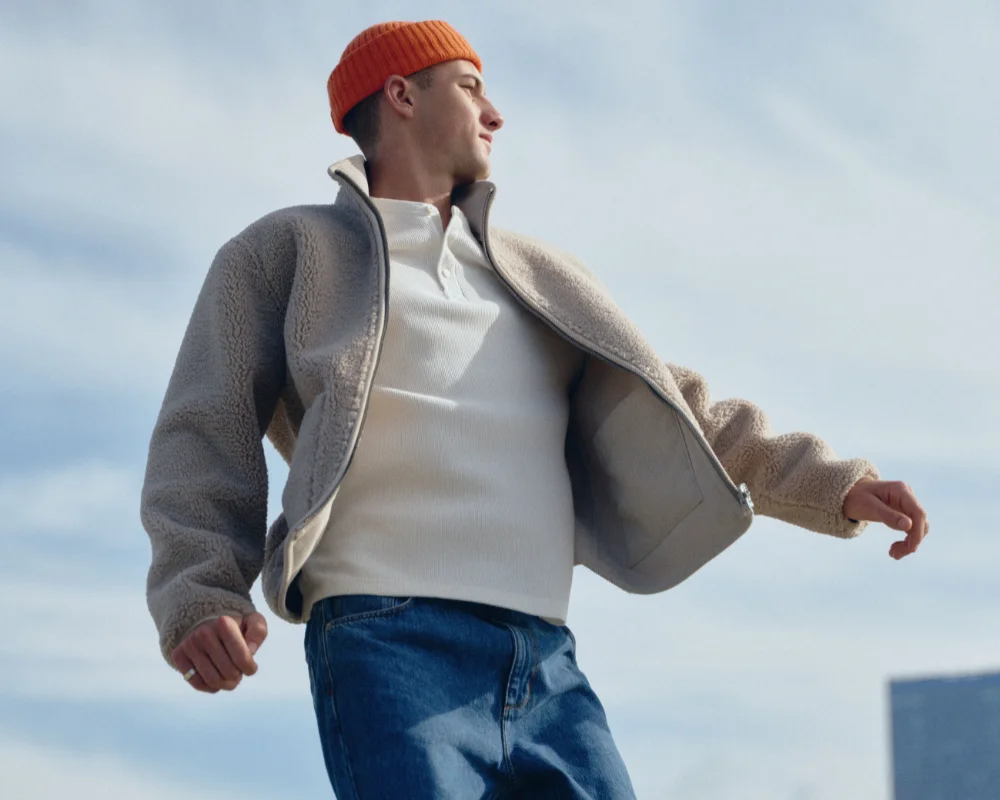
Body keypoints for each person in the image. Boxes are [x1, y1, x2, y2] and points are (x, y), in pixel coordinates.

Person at [140, 19, 929, 799]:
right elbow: (204, 428)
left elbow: (675, 400)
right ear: (401, 94)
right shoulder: (287, 252)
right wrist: (202, 592)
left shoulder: (540, 275)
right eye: (472, 87)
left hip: (546, 660)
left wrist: (832, 483)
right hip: (386, 639)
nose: (496, 113)